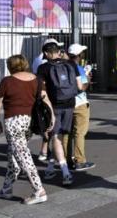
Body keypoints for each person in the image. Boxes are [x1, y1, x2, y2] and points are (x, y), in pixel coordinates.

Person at [0, 55, 51, 205]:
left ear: (10, 66)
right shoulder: (36, 79)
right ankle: (6, 189)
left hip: (14, 121)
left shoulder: (7, 81)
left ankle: (39, 191)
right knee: (14, 154)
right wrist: (52, 118)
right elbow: (45, 99)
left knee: (22, 155)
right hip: (29, 122)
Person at [36, 41, 84, 187]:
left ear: (45, 53)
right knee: (58, 135)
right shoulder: (71, 64)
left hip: (53, 106)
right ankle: (50, 168)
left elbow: (42, 92)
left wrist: (45, 107)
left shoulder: (43, 67)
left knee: (55, 137)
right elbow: (80, 86)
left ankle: (65, 173)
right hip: (70, 104)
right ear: (58, 51)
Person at [65, 44, 95, 172]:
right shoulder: (78, 68)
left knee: (67, 133)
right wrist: (88, 79)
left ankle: (65, 159)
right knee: (79, 133)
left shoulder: (63, 67)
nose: (84, 54)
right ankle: (79, 160)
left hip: (66, 103)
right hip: (80, 103)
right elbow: (82, 87)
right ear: (79, 55)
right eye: (82, 52)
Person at [34, 38, 63, 161]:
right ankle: (53, 154)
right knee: (54, 129)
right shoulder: (61, 63)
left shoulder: (38, 62)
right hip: (57, 99)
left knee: (48, 125)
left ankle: (45, 151)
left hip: (47, 98)